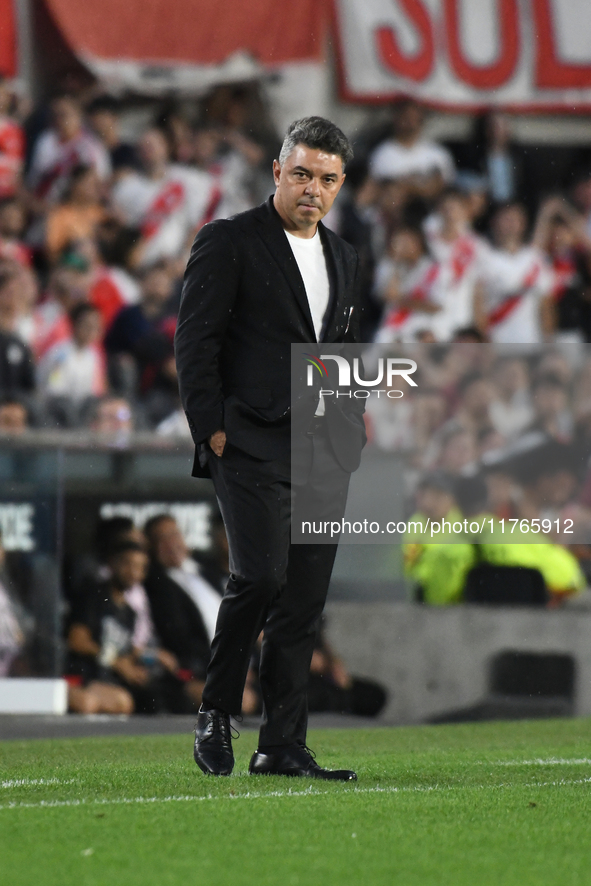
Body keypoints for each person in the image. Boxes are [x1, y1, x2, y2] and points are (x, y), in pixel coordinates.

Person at [175, 116, 365, 780]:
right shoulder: (227, 241)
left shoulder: (345, 257)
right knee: (259, 576)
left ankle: (281, 744)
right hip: (248, 439)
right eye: (303, 173)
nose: (313, 188)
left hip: (322, 452)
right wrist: (210, 428)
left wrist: (350, 430)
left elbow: (343, 355)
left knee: (302, 603)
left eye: (328, 179)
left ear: (341, 185)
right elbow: (194, 343)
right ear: (278, 171)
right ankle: (215, 710)